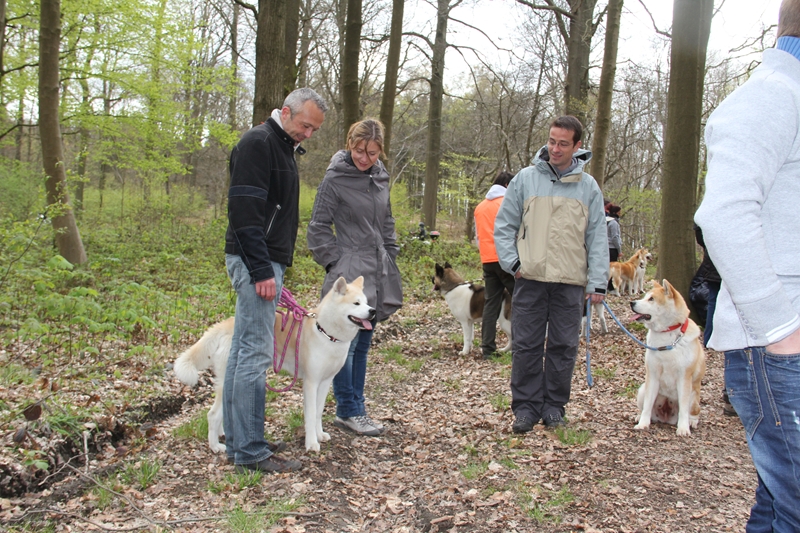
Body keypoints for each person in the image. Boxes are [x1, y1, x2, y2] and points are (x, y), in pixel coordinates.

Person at [694, 2, 800, 529]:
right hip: (778, 349)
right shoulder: (773, 97)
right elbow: (724, 216)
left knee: (780, 502)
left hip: (781, 343)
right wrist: (780, 331)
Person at [223, 88, 327, 473]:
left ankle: (239, 443)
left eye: (314, 129)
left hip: (265, 261)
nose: (308, 135)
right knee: (255, 352)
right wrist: (262, 269)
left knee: (241, 351)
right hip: (257, 262)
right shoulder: (258, 143)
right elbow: (243, 210)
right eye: (305, 126)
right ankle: (250, 452)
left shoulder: (282, 147)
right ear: (285, 112)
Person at [494, 116, 608, 433]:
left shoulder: (588, 188)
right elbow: (503, 227)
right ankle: (526, 409)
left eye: (562, 143)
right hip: (530, 279)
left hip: (570, 283)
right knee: (526, 345)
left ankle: (554, 407)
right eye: (551, 141)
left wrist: (598, 281)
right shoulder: (525, 180)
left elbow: (597, 237)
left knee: (563, 347)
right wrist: (514, 264)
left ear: (577, 146)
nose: (554, 149)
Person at [307, 118, 403, 436]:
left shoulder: (380, 177)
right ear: (350, 144)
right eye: (359, 150)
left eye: (373, 153)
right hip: (348, 274)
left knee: (362, 345)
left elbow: (386, 220)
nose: (365, 158)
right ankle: (349, 410)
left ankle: (355, 409)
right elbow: (318, 225)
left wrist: (392, 251)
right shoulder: (335, 178)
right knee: (344, 347)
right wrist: (335, 263)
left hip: (377, 271)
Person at [474, 170, 516, 359]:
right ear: (508, 185)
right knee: (523, 299)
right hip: (506, 259)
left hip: (487, 259)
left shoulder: (480, 207)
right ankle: (524, 345)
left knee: (491, 304)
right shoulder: (507, 203)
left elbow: (477, 237)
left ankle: (487, 349)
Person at [605, 203, 622, 292]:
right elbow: (615, 237)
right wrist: (619, 249)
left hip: (605, 246)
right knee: (611, 268)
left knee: (606, 267)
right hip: (612, 248)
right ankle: (610, 287)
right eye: (619, 213)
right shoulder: (614, 223)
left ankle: (607, 286)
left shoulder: (605, 221)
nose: (620, 215)